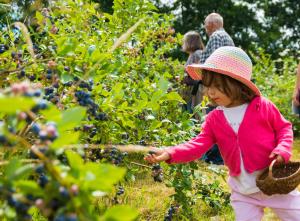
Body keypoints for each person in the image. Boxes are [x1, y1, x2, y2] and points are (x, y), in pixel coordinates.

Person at [145, 46, 300, 221]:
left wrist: (283, 150)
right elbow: (197, 145)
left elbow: (284, 128)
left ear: (237, 84)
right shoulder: (214, 119)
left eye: (218, 86)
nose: (211, 92)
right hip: (243, 192)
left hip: (274, 183)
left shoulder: (261, 106)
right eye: (208, 86)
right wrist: (170, 152)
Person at [180, 31, 205, 113]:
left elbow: (198, 74)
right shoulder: (193, 54)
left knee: (194, 113)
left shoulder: (197, 54)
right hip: (191, 90)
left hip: (196, 90)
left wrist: (183, 78)